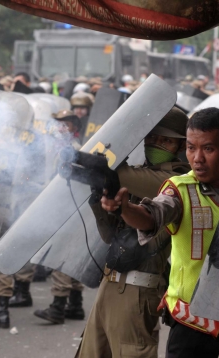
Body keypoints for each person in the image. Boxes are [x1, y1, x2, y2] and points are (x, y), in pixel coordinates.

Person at [99, 107, 219, 357]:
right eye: (191, 148)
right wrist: (125, 209)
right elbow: (151, 215)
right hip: (190, 326)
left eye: (208, 149)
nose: (197, 158)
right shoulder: (179, 189)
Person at [76, 107, 191, 357]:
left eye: (166, 140)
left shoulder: (179, 179)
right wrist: (99, 199)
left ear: (181, 145)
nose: (156, 144)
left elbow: (127, 176)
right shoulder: (136, 176)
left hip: (139, 291)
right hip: (109, 283)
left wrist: (104, 172)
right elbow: (110, 236)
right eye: (151, 137)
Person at [33, 109, 86, 324]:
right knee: (71, 257)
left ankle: (57, 307)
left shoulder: (72, 149)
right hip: (66, 207)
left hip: (66, 208)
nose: (60, 128)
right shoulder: (59, 147)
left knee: (60, 257)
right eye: (58, 124)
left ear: (74, 127)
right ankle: (75, 305)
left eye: (65, 124)